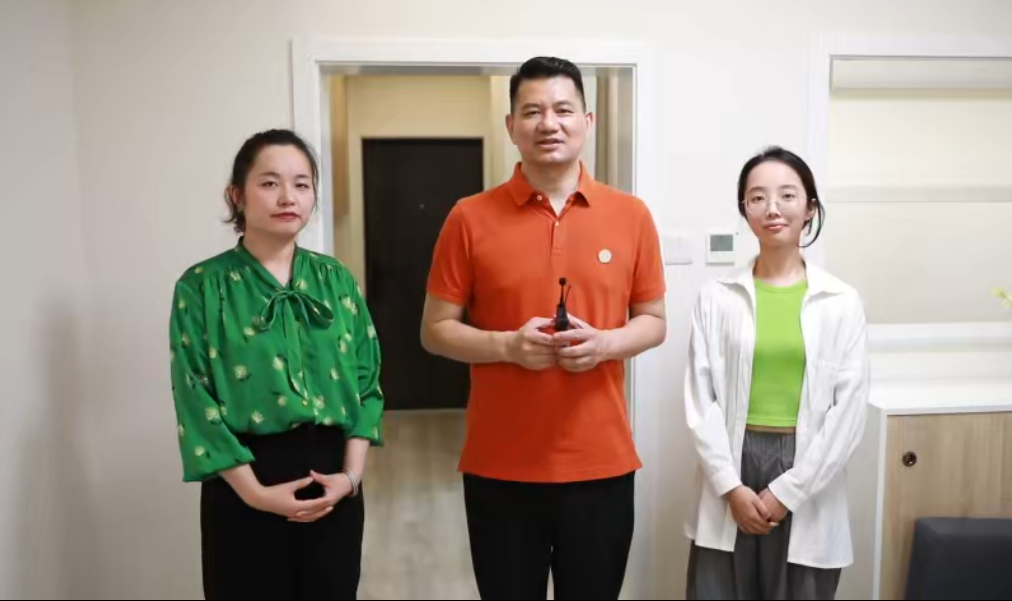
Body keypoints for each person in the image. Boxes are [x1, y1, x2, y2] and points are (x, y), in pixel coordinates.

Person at [421, 56, 667, 600]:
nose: (548, 123)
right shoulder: (468, 217)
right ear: (511, 126)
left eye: (563, 109)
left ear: (588, 121)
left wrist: (604, 344)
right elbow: (435, 330)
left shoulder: (632, 216)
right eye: (532, 112)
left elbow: (653, 322)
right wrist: (507, 345)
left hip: (601, 464)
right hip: (499, 466)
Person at [168, 129, 384, 600]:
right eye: (269, 183)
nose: (288, 197)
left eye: (302, 184)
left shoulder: (336, 280)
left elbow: (367, 383)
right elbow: (194, 397)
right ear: (236, 196)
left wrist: (350, 478)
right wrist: (256, 494)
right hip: (244, 484)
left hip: (332, 482)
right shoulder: (201, 286)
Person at [683, 147, 870, 600]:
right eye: (757, 197)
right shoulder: (716, 297)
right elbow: (700, 401)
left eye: (787, 195)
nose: (772, 208)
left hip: (809, 465)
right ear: (745, 209)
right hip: (732, 461)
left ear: (810, 208)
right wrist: (730, 487)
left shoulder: (841, 301)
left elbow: (848, 413)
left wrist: (789, 491)